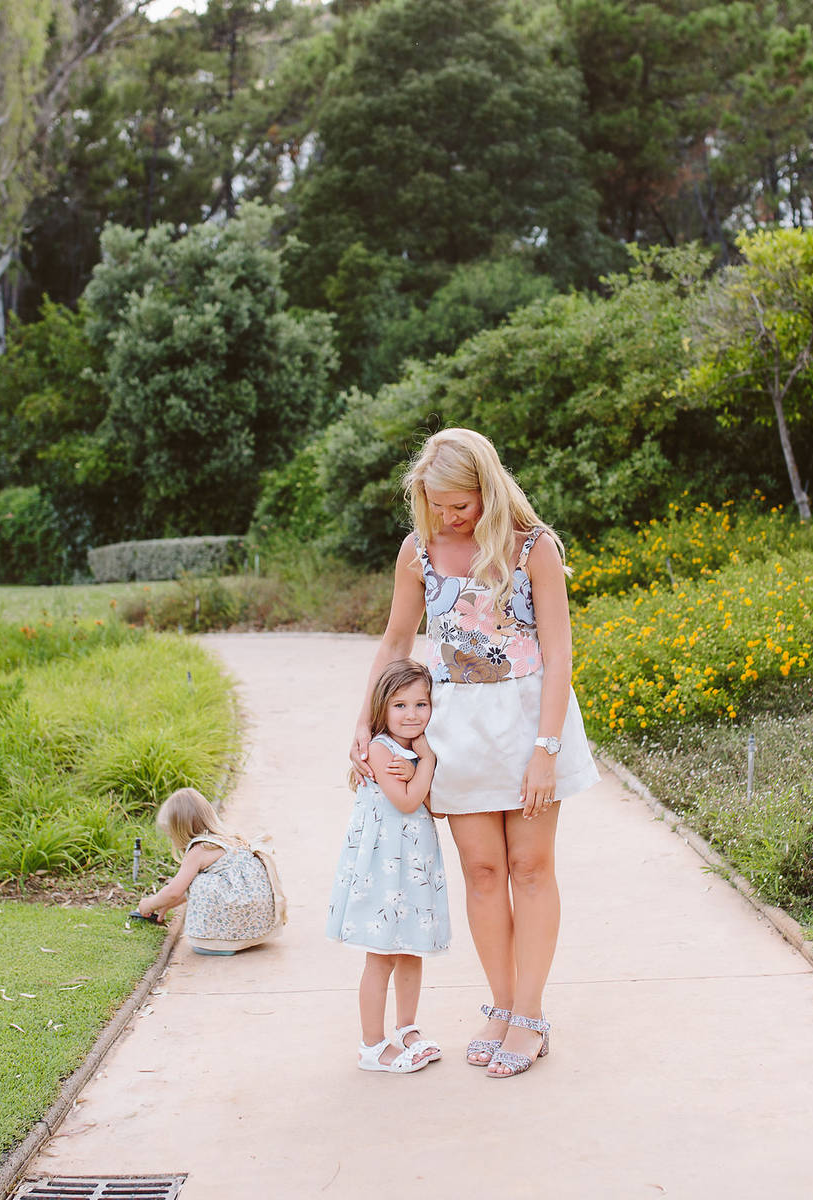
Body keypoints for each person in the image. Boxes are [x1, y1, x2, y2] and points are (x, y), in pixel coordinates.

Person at [350, 428, 599, 1079]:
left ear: (487, 488)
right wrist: (363, 725)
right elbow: (397, 641)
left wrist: (546, 750)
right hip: (457, 727)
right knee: (484, 873)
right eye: (437, 504)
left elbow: (560, 654)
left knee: (531, 868)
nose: (449, 516)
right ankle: (503, 1004)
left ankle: (531, 1014)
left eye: (459, 504)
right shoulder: (419, 552)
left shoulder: (532, 548)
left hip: (528, 723)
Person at [327, 659, 450, 1073]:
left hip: (412, 867)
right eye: (400, 706)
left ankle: (407, 1029)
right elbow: (407, 801)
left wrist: (421, 766)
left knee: (411, 950)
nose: (412, 715)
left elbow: (437, 809)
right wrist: (427, 764)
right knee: (381, 955)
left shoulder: (416, 750)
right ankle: (372, 1045)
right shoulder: (380, 749)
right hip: (383, 867)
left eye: (421, 704)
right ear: (382, 709)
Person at [130, 787, 280, 955]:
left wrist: (149, 904)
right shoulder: (229, 840)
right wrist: (166, 905)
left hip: (233, 927)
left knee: (202, 882)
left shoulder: (199, 849)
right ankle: (239, 938)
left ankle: (217, 941)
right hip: (258, 927)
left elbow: (174, 890)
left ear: (180, 830)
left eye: (171, 835)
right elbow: (186, 890)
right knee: (202, 881)